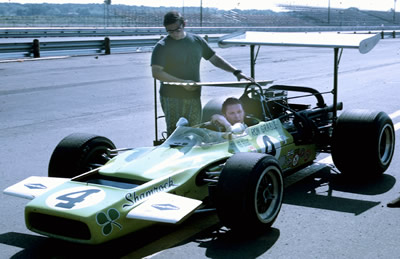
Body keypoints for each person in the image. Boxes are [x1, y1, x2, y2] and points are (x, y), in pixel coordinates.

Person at [151, 11, 252, 136]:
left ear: (184, 24)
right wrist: (183, 83)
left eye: (177, 30)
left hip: (193, 96)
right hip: (172, 97)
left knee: (195, 131)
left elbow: (215, 59)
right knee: (176, 133)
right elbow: (156, 72)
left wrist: (236, 72)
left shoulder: (196, 41)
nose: (174, 34)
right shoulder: (162, 46)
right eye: (170, 31)